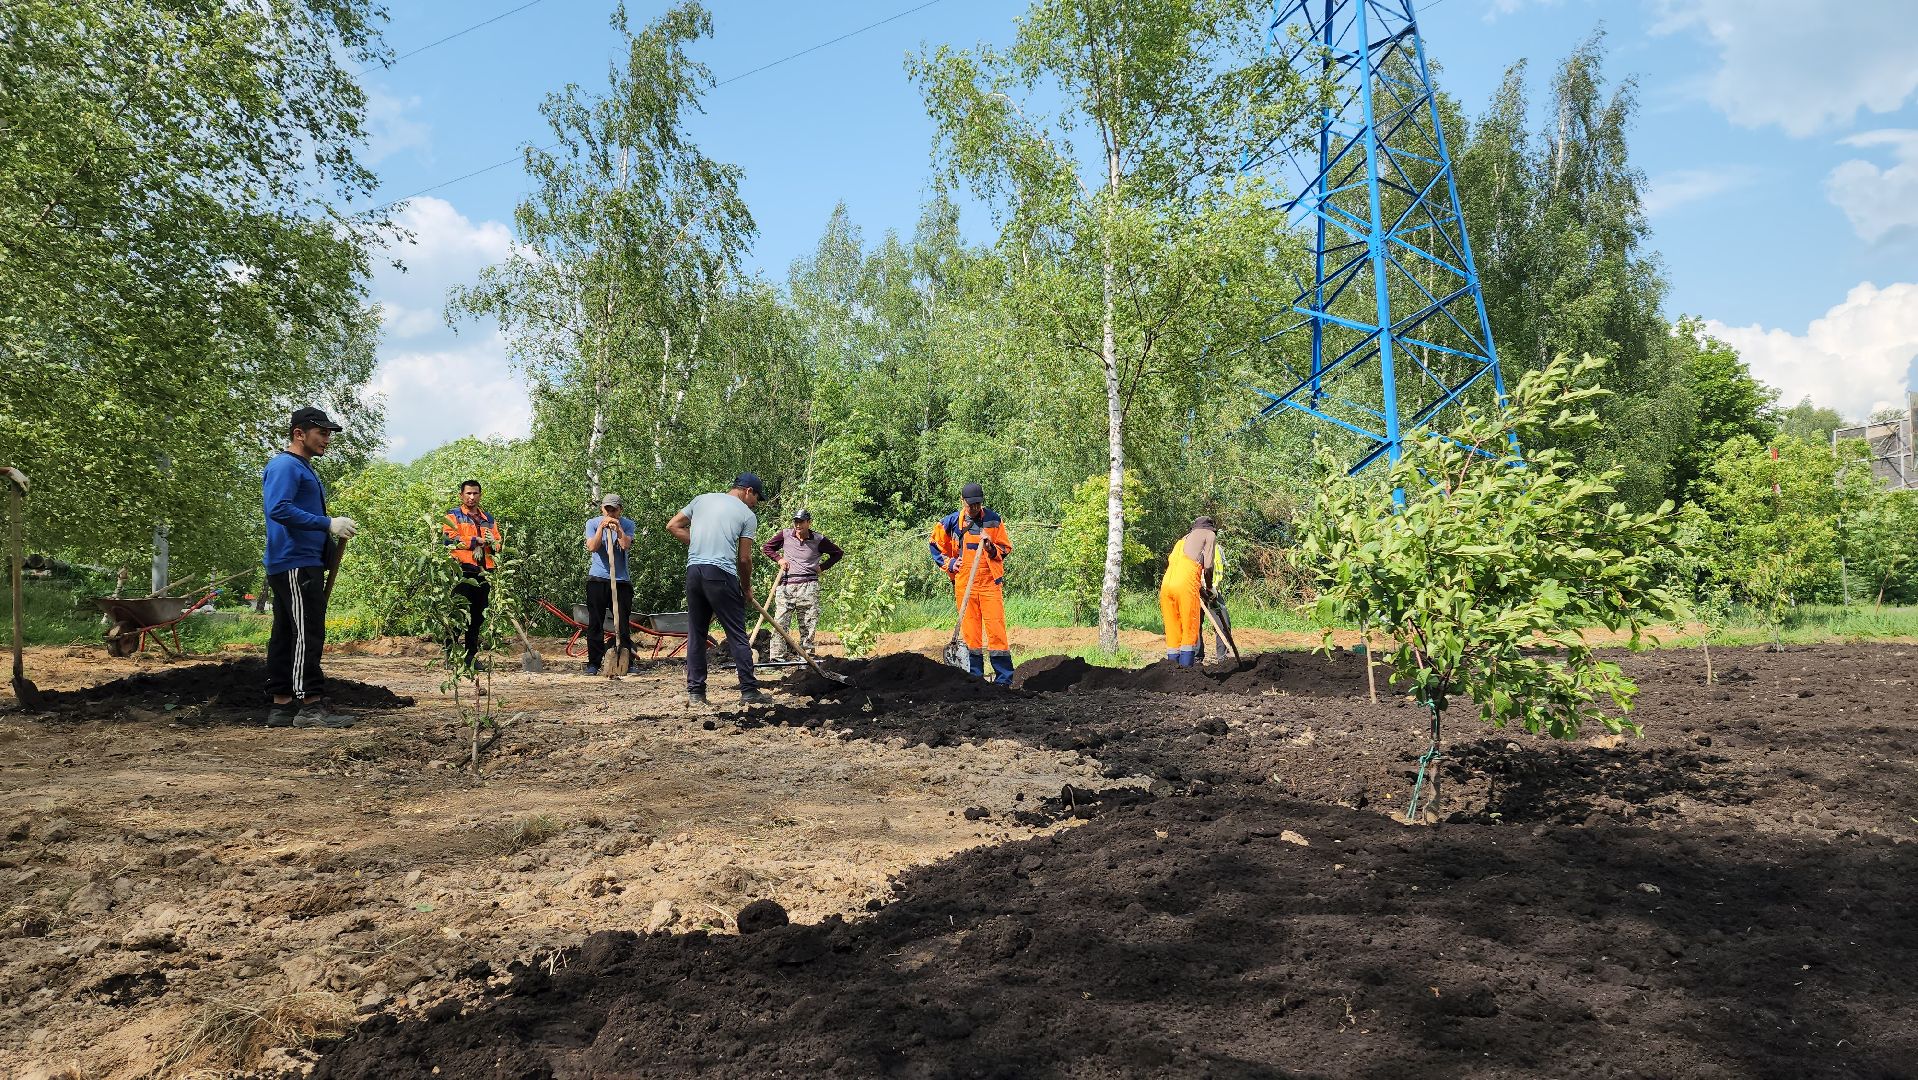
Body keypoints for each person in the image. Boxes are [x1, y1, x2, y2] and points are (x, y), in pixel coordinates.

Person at [262, 407, 356, 728]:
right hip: (295, 562)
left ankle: (281, 706)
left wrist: (326, 550)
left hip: (301, 561)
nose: (327, 440)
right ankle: (309, 705)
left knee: (288, 632)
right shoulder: (285, 466)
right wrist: (328, 523)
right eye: (321, 433)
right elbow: (279, 509)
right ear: (299, 434)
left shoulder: (304, 469)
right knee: (307, 632)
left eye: (329, 434)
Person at [666, 474, 769, 708]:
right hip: (720, 574)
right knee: (736, 634)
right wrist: (746, 588)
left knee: (697, 633)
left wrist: (700, 542)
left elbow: (672, 525)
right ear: (748, 491)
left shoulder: (701, 500)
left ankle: (696, 693)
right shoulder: (747, 515)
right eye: (756, 498)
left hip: (694, 572)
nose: (755, 503)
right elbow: (744, 559)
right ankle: (749, 691)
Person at [930, 482, 1014, 685]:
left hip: (989, 583)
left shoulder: (994, 520)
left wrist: (990, 546)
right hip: (965, 582)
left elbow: (1005, 548)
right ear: (963, 502)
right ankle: (975, 679)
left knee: (996, 630)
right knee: (971, 635)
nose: (975, 508)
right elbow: (934, 545)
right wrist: (949, 562)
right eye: (971, 505)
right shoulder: (950, 522)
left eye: (978, 504)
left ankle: (1003, 680)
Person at [760, 509, 843, 661]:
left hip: (809, 585)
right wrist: (779, 559)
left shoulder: (818, 539)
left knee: (808, 623)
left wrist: (822, 567)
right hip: (786, 585)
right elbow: (767, 548)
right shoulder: (785, 534)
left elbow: (838, 553)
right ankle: (777, 657)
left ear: (808, 523)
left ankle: (806, 658)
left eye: (801, 522)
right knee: (780, 621)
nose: (798, 525)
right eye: (796, 522)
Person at [441, 480, 499, 669]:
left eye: (475, 493)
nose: (472, 497)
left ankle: (471, 659)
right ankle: (450, 657)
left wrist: (491, 543)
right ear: (461, 495)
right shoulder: (453, 515)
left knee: (477, 617)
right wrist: (476, 541)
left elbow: (498, 543)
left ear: (480, 495)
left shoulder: (488, 519)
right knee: (458, 614)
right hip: (462, 571)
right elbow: (448, 539)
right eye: (468, 494)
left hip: (484, 572)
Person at [583, 494, 635, 676]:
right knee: (595, 622)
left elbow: (625, 545)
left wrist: (618, 528)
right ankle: (594, 663)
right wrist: (601, 529)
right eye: (607, 509)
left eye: (614, 509)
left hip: (621, 581)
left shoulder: (627, 524)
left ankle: (626, 660)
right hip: (598, 579)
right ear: (602, 509)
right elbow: (592, 547)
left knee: (622, 623)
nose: (610, 512)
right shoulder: (592, 523)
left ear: (620, 509)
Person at [1159, 516, 1218, 668]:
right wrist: (1210, 588)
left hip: (1166, 586)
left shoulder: (1182, 541)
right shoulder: (1209, 535)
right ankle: (1185, 673)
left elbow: (1183, 573)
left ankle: (1170, 671)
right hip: (1186, 586)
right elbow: (1209, 567)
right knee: (1189, 627)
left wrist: (1204, 593)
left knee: (1173, 630)